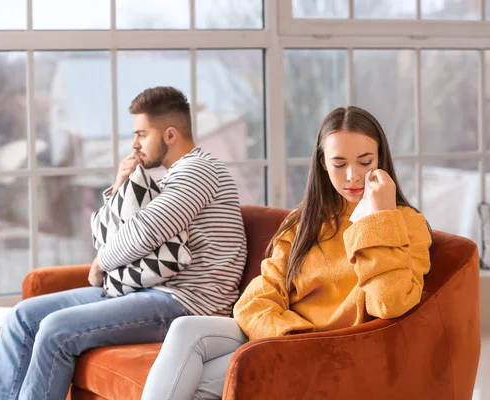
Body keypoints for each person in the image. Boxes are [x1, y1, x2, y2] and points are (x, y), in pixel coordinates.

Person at [141, 105, 432, 400]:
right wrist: (288, 336)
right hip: (285, 336)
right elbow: (258, 296)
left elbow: (390, 303)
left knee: (201, 384)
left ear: (380, 158)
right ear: (322, 163)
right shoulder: (304, 220)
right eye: (339, 163)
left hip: (331, 347)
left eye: (365, 161)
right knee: (184, 328)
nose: (353, 176)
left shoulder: (405, 223)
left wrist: (377, 218)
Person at [0, 86, 247, 400]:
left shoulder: (199, 171)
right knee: (21, 318)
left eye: (141, 134)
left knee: (56, 330)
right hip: (145, 289)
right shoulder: (167, 179)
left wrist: (101, 264)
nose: (134, 144)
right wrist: (119, 186)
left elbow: (146, 232)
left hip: (184, 303)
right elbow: (103, 234)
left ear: (170, 135)